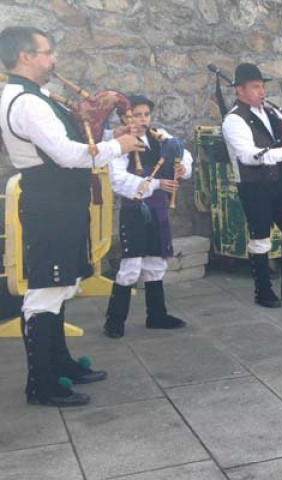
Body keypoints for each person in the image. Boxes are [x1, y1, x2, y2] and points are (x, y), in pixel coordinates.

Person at [0, 26, 144, 406]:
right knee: (45, 290)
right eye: (47, 52)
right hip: (50, 203)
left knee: (60, 285)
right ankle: (41, 384)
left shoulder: (36, 96)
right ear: (25, 56)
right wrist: (119, 145)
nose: (54, 59)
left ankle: (61, 362)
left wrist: (108, 133)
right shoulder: (26, 102)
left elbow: (77, 143)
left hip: (60, 201)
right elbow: (67, 154)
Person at [222, 63, 282, 307]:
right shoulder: (234, 120)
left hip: (278, 183)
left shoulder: (273, 114)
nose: (261, 92)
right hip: (253, 186)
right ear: (239, 90)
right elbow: (247, 156)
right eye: (255, 87)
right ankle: (262, 291)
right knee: (261, 239)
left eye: (262, 87)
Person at [103, 95, 193, 338]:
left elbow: (182, 153)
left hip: (158, 209)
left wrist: (183, 168)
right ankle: (114, 321)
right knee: (131, 266)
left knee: (156, 262)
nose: (142, 120)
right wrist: (156, 184)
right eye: (135, 115)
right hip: (135, 210)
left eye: (146, 115)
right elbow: (118, 181)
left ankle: (156, 315)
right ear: (123, 118)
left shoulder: (157, 135)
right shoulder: (119, 143)